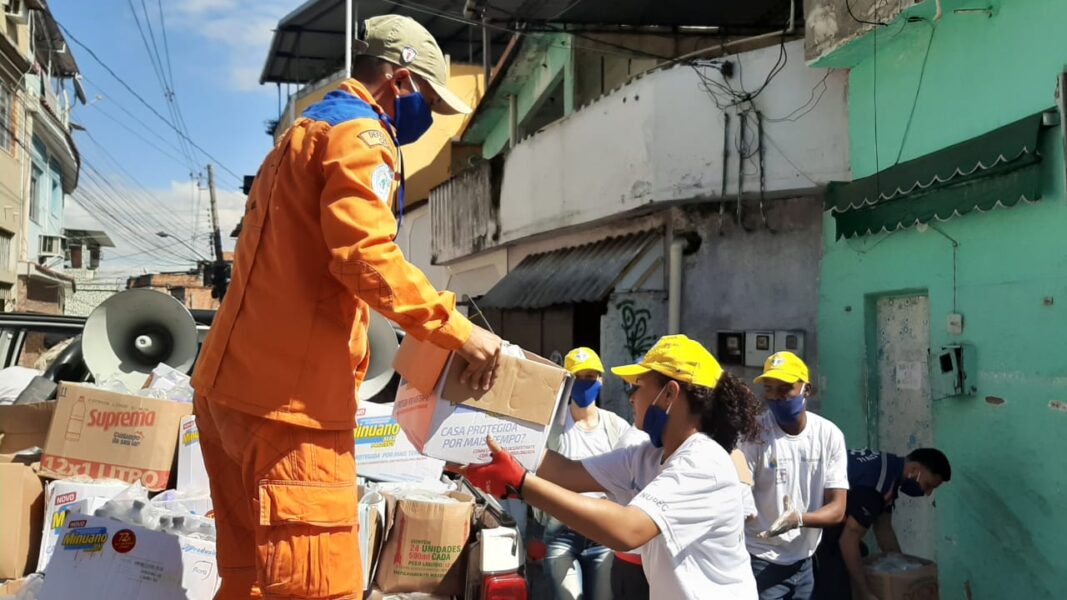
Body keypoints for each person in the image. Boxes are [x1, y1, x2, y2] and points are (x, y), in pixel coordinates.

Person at [189, 15, 502, 599]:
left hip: (227, 392)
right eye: (430, 104)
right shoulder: (362, 139)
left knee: (249, 581)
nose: (428, 121)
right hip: (292, 411)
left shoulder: (299, 134)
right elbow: (365, 257)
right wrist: (461, 332)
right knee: (317, 587)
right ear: (401, 82)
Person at [464, 335, 762, 599]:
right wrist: (487, 442)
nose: (631, 397)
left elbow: (627, 529)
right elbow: (566, 472)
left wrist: (521, 483)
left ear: (669, 394)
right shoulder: (646, 455)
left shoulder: (703, 461)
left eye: (638, 386)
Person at [739, 351, 848, 600]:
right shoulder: (753, 435)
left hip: (805, 561)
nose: (776, 397)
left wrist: (799, 518)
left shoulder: (829, 435)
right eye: (769, 389)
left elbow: (838, 508)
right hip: (761, 560)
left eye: (785, 388)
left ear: (806, 389)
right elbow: (739, 495)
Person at [542, 347, 635, 600]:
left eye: (590, 377)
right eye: (578, 377)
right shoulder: (552, 427)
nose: (584, 383)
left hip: (602, 535)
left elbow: (632, 474)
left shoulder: (615, 426)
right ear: (566, 382)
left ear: (601, 381)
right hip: (562, 534)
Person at [812, 448, 952, 600]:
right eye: (928, 485)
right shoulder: (878, 482)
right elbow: (847, 540)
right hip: (807, 519)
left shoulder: (890, 471)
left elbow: (884, 529)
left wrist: (904, 571)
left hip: (821, 513)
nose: (928, 493)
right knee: (840, 571)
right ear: (914, 470)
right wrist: (864, 591)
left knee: (859, 554)